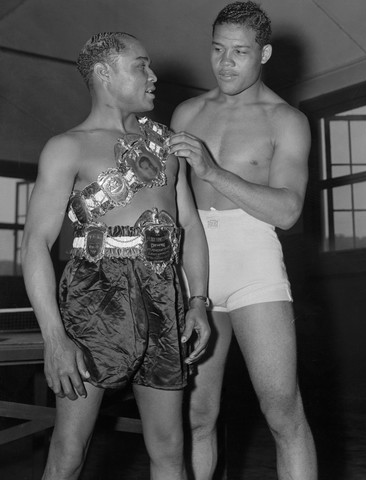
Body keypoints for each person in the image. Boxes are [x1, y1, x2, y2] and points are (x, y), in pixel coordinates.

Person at [21, 32, 210, 480]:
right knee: (68, 453)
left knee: (169, 449)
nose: (154, 75)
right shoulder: (67, 147)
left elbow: (191, 229)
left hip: (164, 300)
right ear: (105, 73)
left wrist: (199, 301)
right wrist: (54, 338)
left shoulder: (166, 148)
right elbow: (34, 244)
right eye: (141, 65)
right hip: (94, 301)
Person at [169, 2, 317, 479]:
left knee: (283, 413)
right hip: (194, 268)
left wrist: (213, 171)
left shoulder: (286, 120)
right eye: (217, 49)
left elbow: (289, 211)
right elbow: (166, 202)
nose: (225, 63)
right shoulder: (187, 112)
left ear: (264, 53)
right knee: (197, 416)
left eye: (239, 52)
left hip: (253, 263)